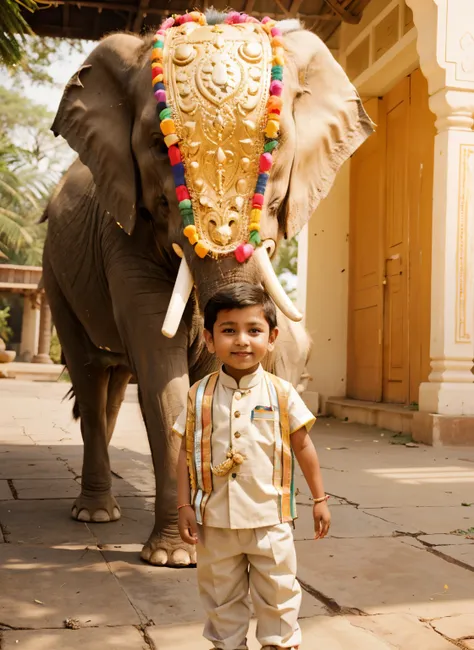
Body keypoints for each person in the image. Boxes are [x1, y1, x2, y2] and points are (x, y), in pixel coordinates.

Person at [173, 283, 331, 650]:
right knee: (219, 594)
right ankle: (228, 645)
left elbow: (303, 445)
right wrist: (182, 506)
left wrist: (319, 498)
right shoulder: (197, 395)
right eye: (229, 330)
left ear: (271, 337)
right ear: (210, 340)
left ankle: (279, 644)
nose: (242, 340)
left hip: (270, 519)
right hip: (215, 522)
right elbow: (183, 453)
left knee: (279, 591)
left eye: (253, 330)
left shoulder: (282, 393)